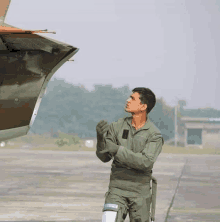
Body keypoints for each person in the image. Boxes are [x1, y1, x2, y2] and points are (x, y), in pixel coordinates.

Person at [96, 87, 164, 222]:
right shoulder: (116, 126)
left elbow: (145, 162)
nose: (127, 100)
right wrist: (100, 139)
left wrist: (118, 150)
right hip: (117, 188)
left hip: (140, 192)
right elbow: (104, 157)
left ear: (143, 106)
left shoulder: (154, 135)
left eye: (132, 98)